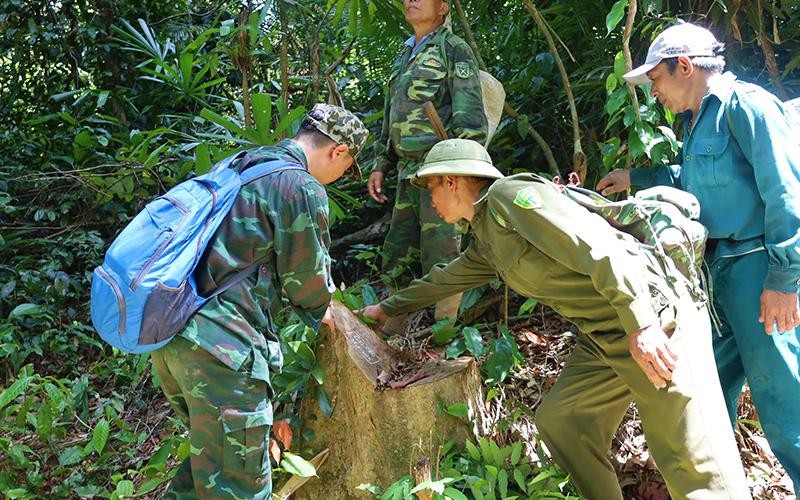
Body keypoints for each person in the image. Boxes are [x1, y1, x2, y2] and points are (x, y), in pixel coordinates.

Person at [362, 138, 752, 499]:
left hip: (654, 318)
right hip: (604, 335)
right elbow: (447, 279)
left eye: (430, 188)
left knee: (693, 460)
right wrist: (386, 309)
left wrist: (643, 324)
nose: (429, 201)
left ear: (451, 181)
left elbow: (601, 250)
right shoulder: (486, 235)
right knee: (564, 421)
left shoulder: (510, 197)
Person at [596, 22, 800, 491]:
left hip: (757, 270)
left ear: (684, 66)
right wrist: (638, 177)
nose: (655, 93)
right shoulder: (699, 120)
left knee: (784, 401)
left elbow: (786, 194)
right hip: (716, 276)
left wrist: (784, 281)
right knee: (707, 391)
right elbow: (700, 179)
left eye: (656, 80)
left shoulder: (745, 106)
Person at [150, 104, 368, 499]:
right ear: (339, 152)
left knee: (211, 467)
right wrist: (330, 313)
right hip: (224, 352)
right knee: (240, 485)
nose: (339, 178)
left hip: (173, 340)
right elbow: (308, 285)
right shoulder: (299, 187)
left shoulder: (241, 165)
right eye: (346, 167)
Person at [367, 0, 487, 334]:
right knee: (397, 256)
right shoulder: (404, 54)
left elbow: (471, 118)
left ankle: (444, 339)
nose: (410, 1)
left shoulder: (453, 49)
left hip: (441, 173)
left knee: (442, 255)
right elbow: (392, 117)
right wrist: (382, 163)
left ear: (444, 7)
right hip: (407, 172)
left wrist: (459, 174)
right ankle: (391, 337)